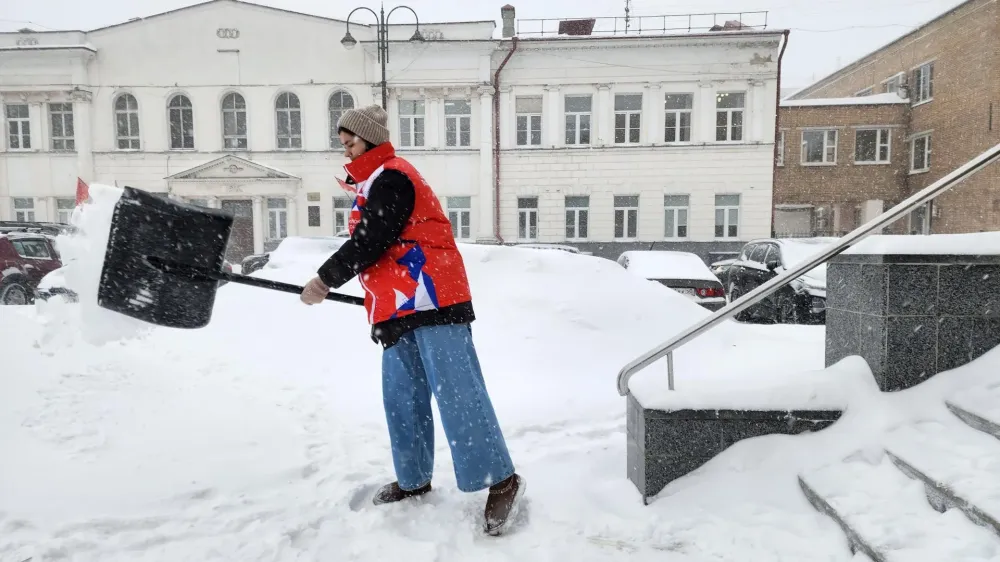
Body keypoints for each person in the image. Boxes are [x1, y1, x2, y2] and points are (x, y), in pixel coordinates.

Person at [299, 104, 525, 536]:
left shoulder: (394, 176)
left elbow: (373, 239)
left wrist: (325, 280)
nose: (344, 146)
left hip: (435, 298)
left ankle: (502, 478)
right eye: (342, 140)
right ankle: (414, 479)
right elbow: (377, 247)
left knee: (459, 395)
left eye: (350, 139)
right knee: (402, 398)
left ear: (371, 140)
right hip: (397, 305)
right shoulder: (369, 183)